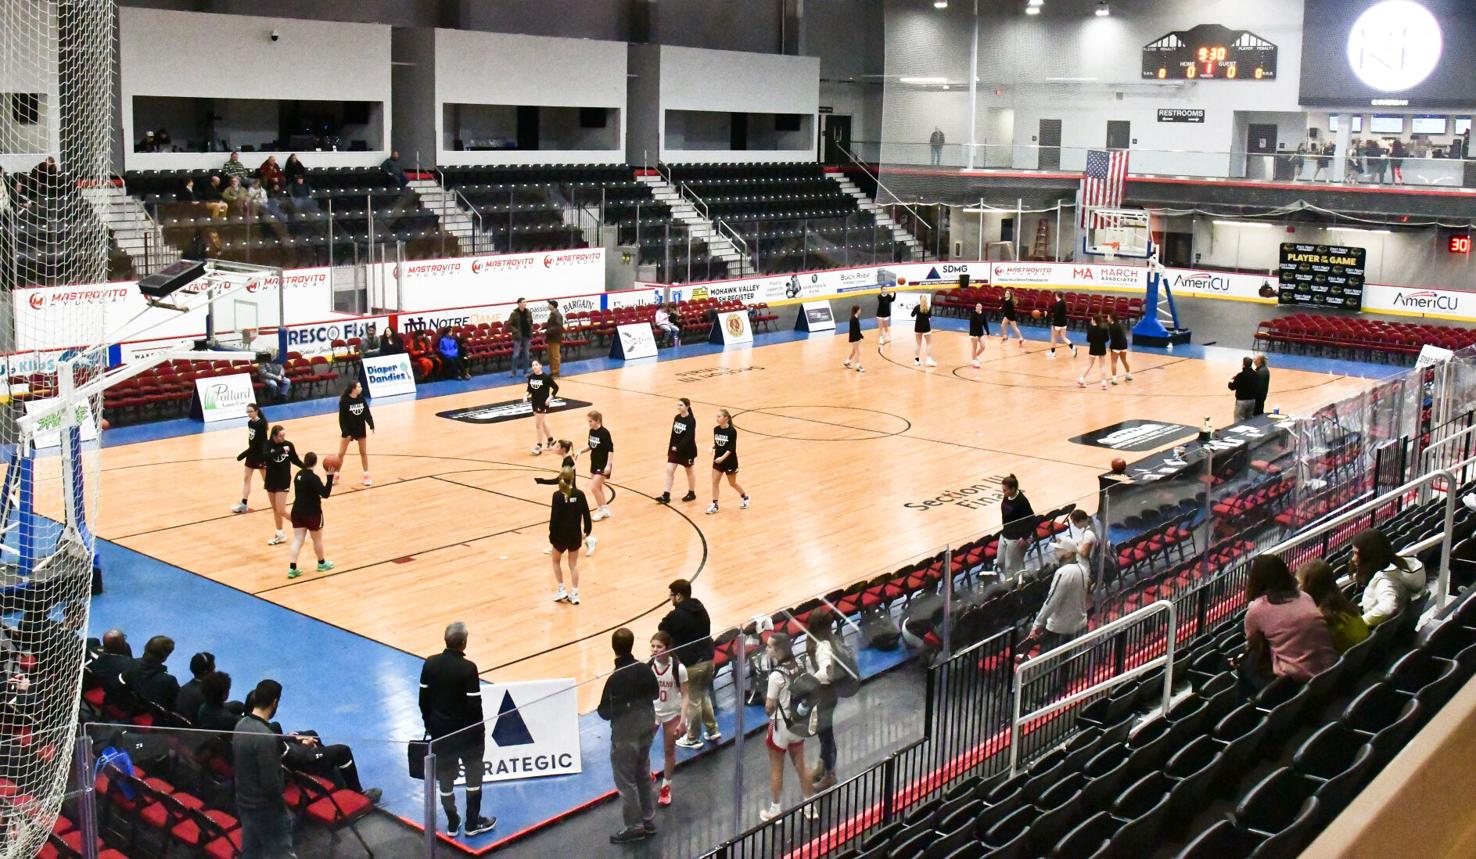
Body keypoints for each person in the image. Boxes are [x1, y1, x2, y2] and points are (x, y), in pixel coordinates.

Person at [420, 622, 495, 837]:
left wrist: (430, 724)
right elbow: (474, 707)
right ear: (464, 642)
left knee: (445, 777)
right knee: (473, 777)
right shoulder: (468, 668)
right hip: (468, 736)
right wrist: (478, 731)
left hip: (441, 734)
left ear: (446, 640)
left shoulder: (430, 663)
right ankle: (473, 823)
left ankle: (453, 823)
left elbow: (423, 700)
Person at [1236, 556, 1337, 694]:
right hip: (1330, 673)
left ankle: (1243, 710)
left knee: (1245, 664)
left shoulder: (1257, 609)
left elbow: (1252, 643)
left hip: (1299, 682)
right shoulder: (1305, 596)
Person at [598, 628, 659, 843]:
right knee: (643, 772)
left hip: (626, 733)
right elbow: (654, 693)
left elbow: (604, 712)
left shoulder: (615, 679)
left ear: (614, 648)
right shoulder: (644, 669)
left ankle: (634, 826)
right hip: (646, 726)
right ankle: (648, 820)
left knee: (626, 780)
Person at [235, 679, 296, 858]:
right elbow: (271, 784)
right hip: (266, 809)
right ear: (274, 702)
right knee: (282, 852)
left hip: (244, 802)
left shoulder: (241, 725)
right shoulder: (264, 737)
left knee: (251, 851)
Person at [761, 632, 816, 822]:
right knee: (802, 765)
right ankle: (810, 807)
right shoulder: (801, 664)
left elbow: (769, 705)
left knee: (777, 768)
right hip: (799, 722)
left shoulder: (776, 676)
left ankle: (775, 811)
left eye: (769, 646)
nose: (767, 649)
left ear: (778, 651)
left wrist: (770, 715)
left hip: (780, 726)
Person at [661, 579, 719, 749]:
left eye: (671, 595)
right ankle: (712, 729)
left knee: (693, 700)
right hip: (708, 658)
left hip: (692, 663)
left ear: (678, 596)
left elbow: (662, 628)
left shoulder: (676, 615)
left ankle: (693, 737)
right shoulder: (700, 607)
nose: (670, 599)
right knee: (703, 694)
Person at [805, 607, 848, 791]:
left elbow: (826, 671)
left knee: (826, 735)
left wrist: (808, 682)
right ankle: (824, 766)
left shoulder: (822, 646)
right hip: (826, 694)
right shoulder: (824, 641)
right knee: (824, 734)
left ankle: (830, 774)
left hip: (825, 695)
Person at [1351, 529, 1426, 628]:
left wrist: (1358, 624)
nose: (1353, 559)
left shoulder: (1385, 582)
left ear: (1370, 556)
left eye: (1357, 553)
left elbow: (1387, 608)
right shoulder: (1399, 567)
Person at [649, 631, 688, 808]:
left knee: (669, 751)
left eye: (659, 646)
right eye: (653, 646)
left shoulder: (678, 668)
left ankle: (666, 787)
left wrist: (683, 720)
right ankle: (647, 773)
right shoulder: (649, 665)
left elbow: (686, 695)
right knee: (642, 748)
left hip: (672, 713)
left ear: (668, 648)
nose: (655, 650)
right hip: (654, 713)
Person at [1297, 559, 1370, 653]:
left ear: (1311, 588)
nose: (1298, 588)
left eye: (1300, 584)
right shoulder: (1346, 607)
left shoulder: (1321, 621)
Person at [549, 466, 594, 604]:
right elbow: (586, 514)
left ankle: (561, 589)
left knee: (556, 561)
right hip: (575, 535)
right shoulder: (580, 494)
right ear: (572, 478)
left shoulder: (557, 496)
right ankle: (575, 593)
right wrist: (587, 531)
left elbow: (554, 518)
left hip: (561, 536)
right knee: (573, 565)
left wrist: (551, 535)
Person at [287, 452, 335, 580]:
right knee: (317, 539)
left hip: (297, 511)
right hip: (312, 513)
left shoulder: (298, 475)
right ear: (315, 462)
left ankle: (292, 568)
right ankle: (321, 563)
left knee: (298, 540)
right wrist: (330, 478)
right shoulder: (313, 478)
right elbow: (325, 494)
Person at [263, 425, 305, 546]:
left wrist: (306, 468)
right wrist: (281, 450)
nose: (283, 438)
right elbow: (266, 457)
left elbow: (295, 460)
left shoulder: (289, 445)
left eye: (284, 435)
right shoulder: (267, 444)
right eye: (280, 436)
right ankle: (280, 534)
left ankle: (301, 525)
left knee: (281, 509)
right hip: (270, 480)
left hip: (283, 480)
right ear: (274, 436)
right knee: (275, 509)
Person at [708, 409, 749, 515]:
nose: (717, 419)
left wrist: (722, 458)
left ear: (726, 418)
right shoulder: (716, 429)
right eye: (716, 416)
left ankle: (745, 497)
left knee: (732, 483)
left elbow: (731, 448)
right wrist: (713, 448)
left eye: (719, 416)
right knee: (715, 482)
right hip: (718, 460)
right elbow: (718, 443)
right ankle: (715, 504)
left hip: (730, 461)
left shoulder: (732, 431)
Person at [658, 398, 699, 504]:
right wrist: (671, 448)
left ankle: (691, 492)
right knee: (669, 470)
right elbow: (673, 435)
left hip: (687, 451)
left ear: (687, 406)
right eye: (678, 405)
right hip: (674, 450)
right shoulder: (677, 417)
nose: (678, 407)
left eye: (681, 405)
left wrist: (678, 447)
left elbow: (689, 437)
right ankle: (666, 495)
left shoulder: (691, 420)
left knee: (689, 471)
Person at [123, 635, 179, 711]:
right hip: (154, 721)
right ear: (165, 657)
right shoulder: (169, 681)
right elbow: (175, 707)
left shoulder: (127, 665)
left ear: (146, 648)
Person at [577, 410, 614, 521]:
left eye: (590, 421)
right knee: (598, 487)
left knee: (593, 487)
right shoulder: (592, 431)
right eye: (588, 421)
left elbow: (610, 450)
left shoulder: (604, 433)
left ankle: (601, 509)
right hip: (594, 462)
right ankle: (605, 509)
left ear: (598, 421)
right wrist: (581, 451)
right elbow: (591, 445)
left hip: (603, 464)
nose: (589, 423)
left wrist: (608, 465)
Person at [232, 402, 268, 513]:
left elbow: (259, 444)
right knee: (246, 478)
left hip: (260, 455)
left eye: (251, 411)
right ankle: (244, 503)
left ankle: (276, 499)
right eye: (247, 411)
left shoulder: (261, 424)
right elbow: (252, 443)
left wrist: (243, 454)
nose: (249, 413)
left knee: (266, 480)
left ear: (256, 411)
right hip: (251, 454)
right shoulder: (250, 423)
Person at [336, 381, 374, 486]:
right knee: (341, 453)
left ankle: (366, 475)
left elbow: (366, 412)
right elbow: (341, 419)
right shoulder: (344, 401)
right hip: (348, 429)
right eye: (359, 386)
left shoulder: (361, 398)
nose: (361, 388)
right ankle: (336, 473)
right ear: (353, 389)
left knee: (363, 452)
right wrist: (345, 432)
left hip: (360, 428)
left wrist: (371, 424)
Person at [998, 474, 1035, 579]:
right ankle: (1012, 579)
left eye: (1005, 490)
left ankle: (1013, 584)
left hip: (1016, 538)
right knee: (1000, 562)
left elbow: (1032, 520)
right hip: (1005, 534)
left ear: (1013, 489)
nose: (1003, 492)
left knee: (1011, 566)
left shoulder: (1022, 501)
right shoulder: (1006, 497)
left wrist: (1024, 537)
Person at [524, 359, 559, 455]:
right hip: (534, 402)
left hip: (543, 403)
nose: (534, 366)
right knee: (542, 423)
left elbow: (556, 388)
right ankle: (551, 441)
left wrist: (550, 398)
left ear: (541, 366)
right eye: (533, 365)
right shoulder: (531, 377)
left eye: (536, 364)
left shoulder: (546, 377)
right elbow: (529, 389)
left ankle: (539, 446)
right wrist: (525, 395)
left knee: (538, 425)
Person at [89, 629, 134, 697]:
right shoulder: (130, 665)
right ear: (122, 645)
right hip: (117, 695)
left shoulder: (93, 652)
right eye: (123, 640)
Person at [175, 651, 216, 724]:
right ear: (207, 671)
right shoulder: (206, 695)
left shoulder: (184, 688)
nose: (215, 670)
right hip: (196, 733)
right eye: (213, 667)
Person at [1078, 313, 1110, 389]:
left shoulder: (1090, 328)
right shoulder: (1103, 328)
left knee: (1089, 365)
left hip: (1093, 348)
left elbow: (1088, 339)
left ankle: (1081, 378)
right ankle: (1103, 383)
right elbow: (1107, 339)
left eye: (1092, 319)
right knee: (1102, 365)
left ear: (1094, 320)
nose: (1091, 320)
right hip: (1101, 348)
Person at [508, 298, 534, 377]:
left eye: (526, 302)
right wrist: (515, 331)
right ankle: (513, 372)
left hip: (527, 336)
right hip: (518, 337)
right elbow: (509, 324)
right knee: (516, 355)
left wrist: (531, 328)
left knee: (526, 354)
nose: (525, 303)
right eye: (523, 302)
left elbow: (531, 321)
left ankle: (525, 372)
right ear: (519, 303)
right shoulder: (514, 313)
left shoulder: (528, 312)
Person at [1046, 291, 1076, 358]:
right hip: (1064, 324)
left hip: (1057, 324)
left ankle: (1053, 352)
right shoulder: (1064, 303)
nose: (1055, 296)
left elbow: (1055, 314)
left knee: (1053, 338)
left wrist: (1048, 315)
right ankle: (1073, 347)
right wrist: (1047, 312)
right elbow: (1053, 311)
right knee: (1064, 337)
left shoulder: (1057, 304)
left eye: (1055, 295)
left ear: (1057, 296)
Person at [1229, 356, 1260, 421]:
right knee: (1249, 421)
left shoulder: (1240, 375)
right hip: (1252, 401)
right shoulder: (1256, 374)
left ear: (1243, 364)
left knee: (1238, 421)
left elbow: (1232, 387)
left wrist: (1230, 381)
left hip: (1241, 401)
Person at [1106, 310, 1133, 383]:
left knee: (1113, 362)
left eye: (1108, 317)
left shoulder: (1112, 326)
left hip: (1116, 345)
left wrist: (1110, 347)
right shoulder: (1120, 324)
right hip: (1124, 344)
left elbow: (1113, 338)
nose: (1107, 318)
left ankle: (1114, 379)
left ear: (1111, 318)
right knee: (1124, 360)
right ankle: (1129, 374)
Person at [911, 294, 935, 368]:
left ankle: (916, 360)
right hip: (926, 327)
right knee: (929, 344)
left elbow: (912, 315)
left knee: (918, 344)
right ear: (926, 300)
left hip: (918, 327)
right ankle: (928, 360)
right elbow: (929, 316)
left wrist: (914, 309)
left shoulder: (917, 307)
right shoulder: (928, 307)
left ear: (920, 299)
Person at [964, 301, 990, 368]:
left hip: (980, 333)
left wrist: (988, 333)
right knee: (974, 347)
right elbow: (971, 325)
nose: (978, 307)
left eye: (979, 306)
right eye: (977, 306)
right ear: (976, 307)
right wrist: (974, 335)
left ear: (981, 308)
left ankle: (975, 357)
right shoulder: (973, 314)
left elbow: (985, 324)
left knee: (983, 346)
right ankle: (974, 361)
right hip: (973, 333)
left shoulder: (983, 314)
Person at [842, 305, 866, 373]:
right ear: (857, 310)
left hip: (856, 337)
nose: (860, 311)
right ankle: (858, 366)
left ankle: (847, 362)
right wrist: (860, 337)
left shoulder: (856, 318)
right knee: (858, 352)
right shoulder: (853, 319)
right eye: (860, 310)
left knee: (854, 351)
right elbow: (854, 330)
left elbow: (857, 329)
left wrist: (860, 336)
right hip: (855, 337)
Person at [544, 300, 564, 376]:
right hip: (551, 337)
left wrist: (547, 331)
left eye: (549, 304)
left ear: (553, 306)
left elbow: (558, 327)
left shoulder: (557, 315)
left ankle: (556, 372)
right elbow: (551, 325)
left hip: (555, 338)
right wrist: (543, 327)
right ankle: (552, 371)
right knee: (551, 355)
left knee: (555, 356)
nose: (548, 305)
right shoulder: (552, 314)